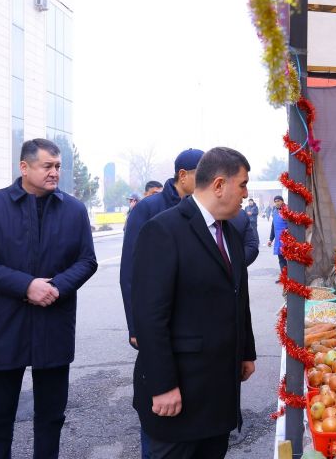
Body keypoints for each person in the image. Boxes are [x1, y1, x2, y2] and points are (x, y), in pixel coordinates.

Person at [0, 138, 98, 458]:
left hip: (54, 320)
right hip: (4, 323)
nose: (54, 172)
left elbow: (87, 260)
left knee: (51, 416)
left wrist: (57, 287)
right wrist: (26, 286)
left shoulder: (74, 210)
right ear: (24, 167)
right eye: (47, 166)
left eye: (58, 166)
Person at [131, 147, 256, 459]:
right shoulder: (164, 230)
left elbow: (238, 296)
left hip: (218, 392)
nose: (246, 193)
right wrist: (162, 385)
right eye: (242, 184)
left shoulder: (230, 231)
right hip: (179, 393)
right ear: (219, 185)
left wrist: (246, 352)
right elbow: (149, 317)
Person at [120, 148, 204, 458]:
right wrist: (135, 325)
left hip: (188, 321)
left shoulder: (201, 206)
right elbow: (130, 272)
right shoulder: (149, 208)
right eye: (201, 174)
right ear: (183, 175)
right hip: (154, 316)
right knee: (158, 402)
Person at [266, 195, 288, 281]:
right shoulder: (274, 211)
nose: (277, 203)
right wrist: (270, 239)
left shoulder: (287, 210)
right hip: (278, 239)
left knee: (289, 259)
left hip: (287, 239)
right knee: (281, 259)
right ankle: (284, 277)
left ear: (282, 201)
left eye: (278, 201)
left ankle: (291, 278)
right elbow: (273, 226)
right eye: (275, 201)